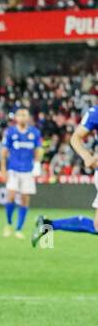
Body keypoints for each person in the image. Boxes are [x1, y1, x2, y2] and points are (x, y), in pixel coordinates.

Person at [33, 103, 98, 246]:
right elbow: (75, 138)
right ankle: (48, 225)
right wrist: (87, 156)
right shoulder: (95, 112)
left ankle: (47, 225)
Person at [0, 106, 42, 239]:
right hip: (13, 169)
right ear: (16, 118)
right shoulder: (10, 132)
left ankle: (19, 228)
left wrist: (37, 165)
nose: (23, 117)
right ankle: (8, 223)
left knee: (25, 199)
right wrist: (3, 169)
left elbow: (38, 150)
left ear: (28, 118)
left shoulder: (35, 132)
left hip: (27, 171)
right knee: (11, 196)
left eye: (25, 115)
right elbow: (4, 152)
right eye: (20, 115)